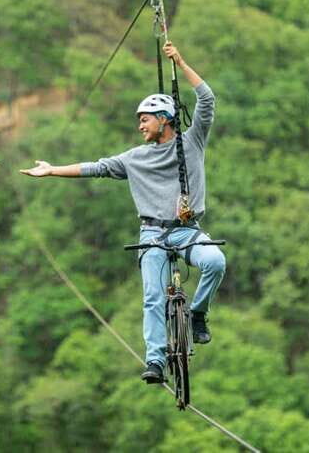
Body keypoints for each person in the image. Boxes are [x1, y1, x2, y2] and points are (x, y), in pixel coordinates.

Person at [20, 41, 225, 384]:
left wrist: (180, 62)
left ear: (164, 119)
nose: (140, 126)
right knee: (154, 297)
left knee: (215, 262)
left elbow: (207, 100)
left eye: (145, 120)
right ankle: (155, 361)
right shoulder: (134, 158)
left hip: (186, 230)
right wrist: (53, 170)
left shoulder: (191, 143)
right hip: (152, 234)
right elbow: (96, 167)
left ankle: (197, 313)